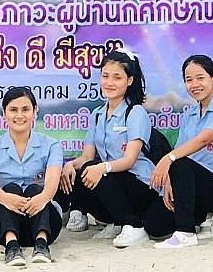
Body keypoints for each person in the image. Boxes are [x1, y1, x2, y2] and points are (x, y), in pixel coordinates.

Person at [60, 49, 158, 248]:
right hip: (114, 182)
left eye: (117, 78)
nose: (109, 83)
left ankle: (134, 226)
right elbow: (87, 157)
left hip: (140, 185)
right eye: (105, 76)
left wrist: (102, 167)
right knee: (79, 172)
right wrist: (70, 165)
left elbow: (129, 160)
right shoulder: (97, 114)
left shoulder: (135, 112)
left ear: (129, 80)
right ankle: (116, 222)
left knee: (98, 172)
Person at [146, 55, 213, 249]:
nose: (194, 85)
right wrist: (169, 182)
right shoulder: (189, 115)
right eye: (189, 80)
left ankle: (186, 233)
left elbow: (204, 139)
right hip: (190, 184)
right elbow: (180, 150)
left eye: (200, 78)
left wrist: (168, 159)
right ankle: (203, 216)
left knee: (179, 162)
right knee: (154, 224)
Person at [0, 86, 64, 265]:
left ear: (34, 111)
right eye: (13, 110)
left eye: (25, 109)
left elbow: (53, 179)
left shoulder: (52, 145)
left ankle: (41, 245)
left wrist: (42, 198)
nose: (19, 116)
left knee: (34, 189)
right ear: (4, 113)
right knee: (11, 188)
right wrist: (6, 199)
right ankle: (12, 246)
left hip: (41, 219)